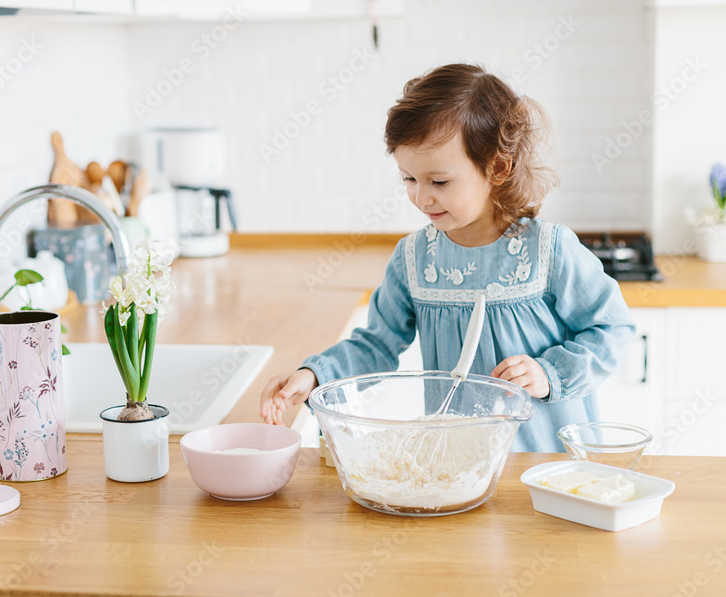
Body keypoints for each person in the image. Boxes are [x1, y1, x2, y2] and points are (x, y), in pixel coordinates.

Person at [259, 63, 636, 452]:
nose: (421, 197)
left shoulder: (549, 250)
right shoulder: (414, 258)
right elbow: (376, 345)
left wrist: (549, 372)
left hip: (550, 465)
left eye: (438, 182)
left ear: (498, 168)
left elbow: (613, 329)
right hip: (461, 466)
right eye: (409, 178)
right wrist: (314, 375)